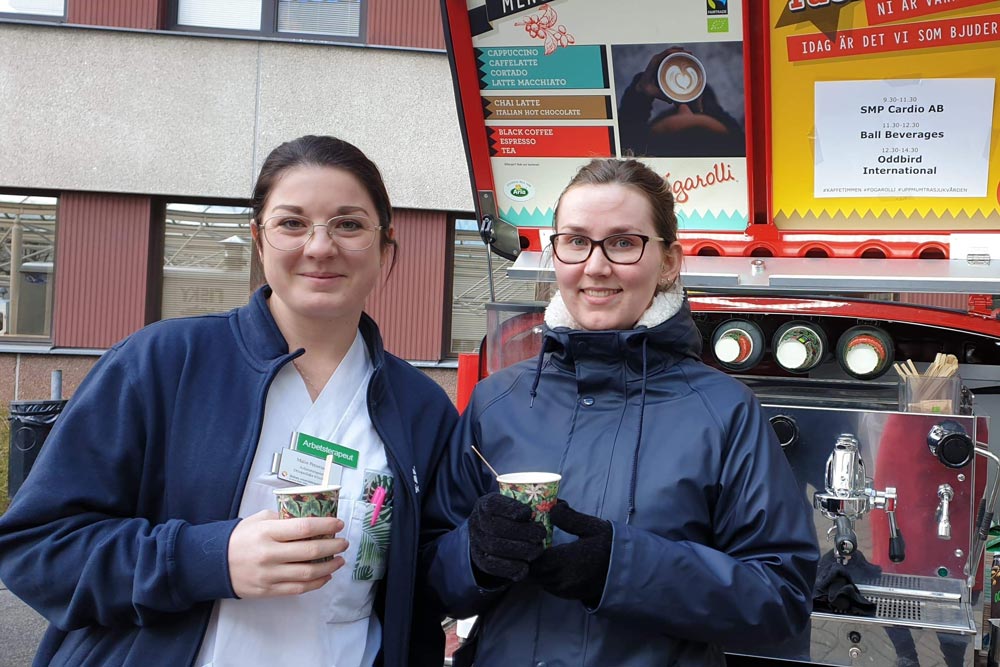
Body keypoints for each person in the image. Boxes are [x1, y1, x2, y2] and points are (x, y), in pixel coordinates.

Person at [0, 135, 459, 667]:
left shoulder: (419, 407)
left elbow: (427, 572)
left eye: (349, 224)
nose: (319, 246)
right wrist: (207, 559)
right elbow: (37, 548)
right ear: (259, 240)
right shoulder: (164, 362)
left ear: (385, 249)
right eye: (291, 223)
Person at [422, 157, 819, 666]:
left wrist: (625, 570)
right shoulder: (496, 402)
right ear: (556, 253)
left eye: (624, 243)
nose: (595, 266)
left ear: (669, 262)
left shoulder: (726, 412)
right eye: (576, 241)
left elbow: (781, 597)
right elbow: (428, 577)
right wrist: (473, 556)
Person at [618, 47, 746, 158]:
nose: (683, 106)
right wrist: (702, 110)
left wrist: (640, 90)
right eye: (699, 119)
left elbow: (627, 127)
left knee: (706, 100)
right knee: (707, 98)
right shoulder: (737, 145)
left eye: (676, 115)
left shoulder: (637, 148)